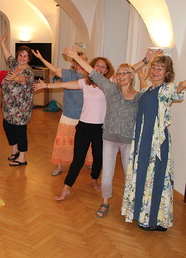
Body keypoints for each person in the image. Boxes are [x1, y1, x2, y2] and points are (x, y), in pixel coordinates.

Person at [64, 48, 161, 217]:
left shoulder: (138, 96)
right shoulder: (110, 89)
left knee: (129, 174)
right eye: (119, 72)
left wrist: (145, 65)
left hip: (127, 142)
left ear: (131, 75)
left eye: (126, 73)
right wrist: (76, 58)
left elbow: (152, 102)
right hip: (108, 139)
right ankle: (105, 201)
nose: (122, 75)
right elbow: (93, 73)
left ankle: (130, 204)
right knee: (107, 175)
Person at [34, 55, 115, 200]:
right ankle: (66, 188)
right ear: (92, 67)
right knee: (77, 159)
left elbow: (127, 72)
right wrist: (45, 85)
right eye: (97, 65)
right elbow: (64, 85)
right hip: (83, 126)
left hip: (101, 128)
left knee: (98, 158)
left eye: (103, 67)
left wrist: (145, 61)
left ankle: (94, 179)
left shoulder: (109, 83)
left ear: (107, 70)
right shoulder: (84, 82)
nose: (100, 69)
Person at [121, 55, 186, 231]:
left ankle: (153, 221)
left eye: (160, 68)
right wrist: (142, 78)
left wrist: (182, 84)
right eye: (154, 67)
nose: (156, 71)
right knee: (142, 174)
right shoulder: (148, 89)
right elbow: (143, 93)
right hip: (142, 140)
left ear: (167, 73)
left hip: (156, 142)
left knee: (154, 177)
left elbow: (180, 88)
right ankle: (139, 213)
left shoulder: (167, 89)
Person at [32, 49, 93, 176]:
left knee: (86, 142)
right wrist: (41, 58)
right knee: (62, 141)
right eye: (75, 61)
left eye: (80, 61)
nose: (77, 64)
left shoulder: (91, 77)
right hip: (68, 114)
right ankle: (59, 166)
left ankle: (90, 162)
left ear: (86, 62)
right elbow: (54, 69)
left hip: (85, 116)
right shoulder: (68, 73)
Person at [0, 33, 34, 166]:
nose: (22, 58)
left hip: (21, 109)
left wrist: (15, 78)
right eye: (20, 55)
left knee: (20, 132)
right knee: (7, 126)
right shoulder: (14, 65)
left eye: (25, 56)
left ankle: (22, 157)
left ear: (29, 58)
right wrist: (2, 43)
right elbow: (7, 55)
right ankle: (15, 150)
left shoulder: (28, 71)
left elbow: (24, 80)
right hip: (8, 107)